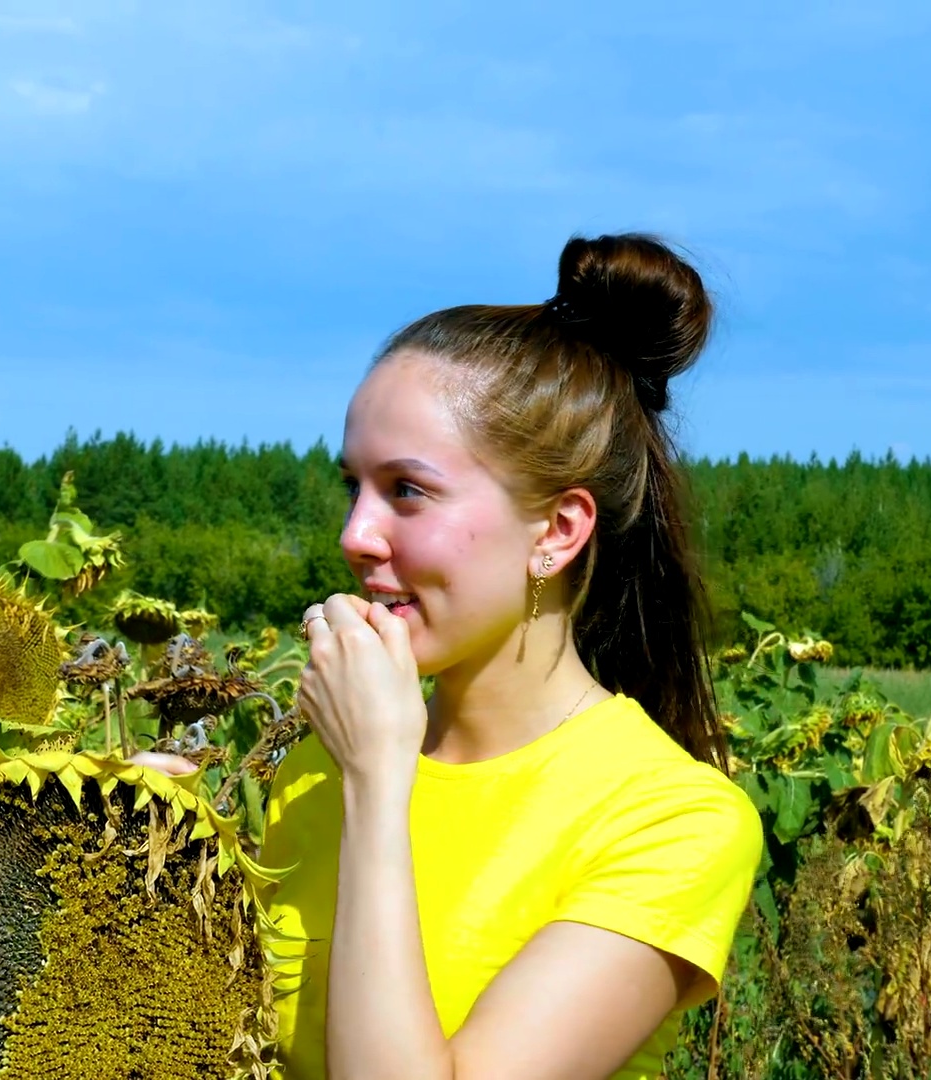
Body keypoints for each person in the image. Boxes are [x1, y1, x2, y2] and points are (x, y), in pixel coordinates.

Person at [261, 234, 764, 1079]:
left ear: (557, 532)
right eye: (354, 486)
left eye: (407, 491)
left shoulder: (673, 821)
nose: (355, 536)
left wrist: (380, 785)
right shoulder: (315, 769)